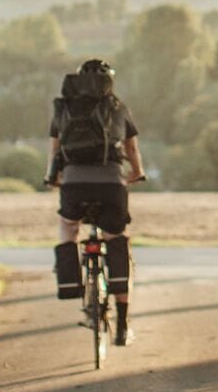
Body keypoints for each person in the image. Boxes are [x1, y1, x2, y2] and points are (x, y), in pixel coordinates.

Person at [47, 57, 145, 346]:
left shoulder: (64, 110)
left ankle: (71, 280)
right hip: (111, 185)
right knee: (116, 238)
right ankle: (123, 324)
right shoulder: (118, 108)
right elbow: (133, 149)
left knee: (68, 228)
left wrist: (53, 179)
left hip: (74, 185)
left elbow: (54, 151)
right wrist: (136, 174)